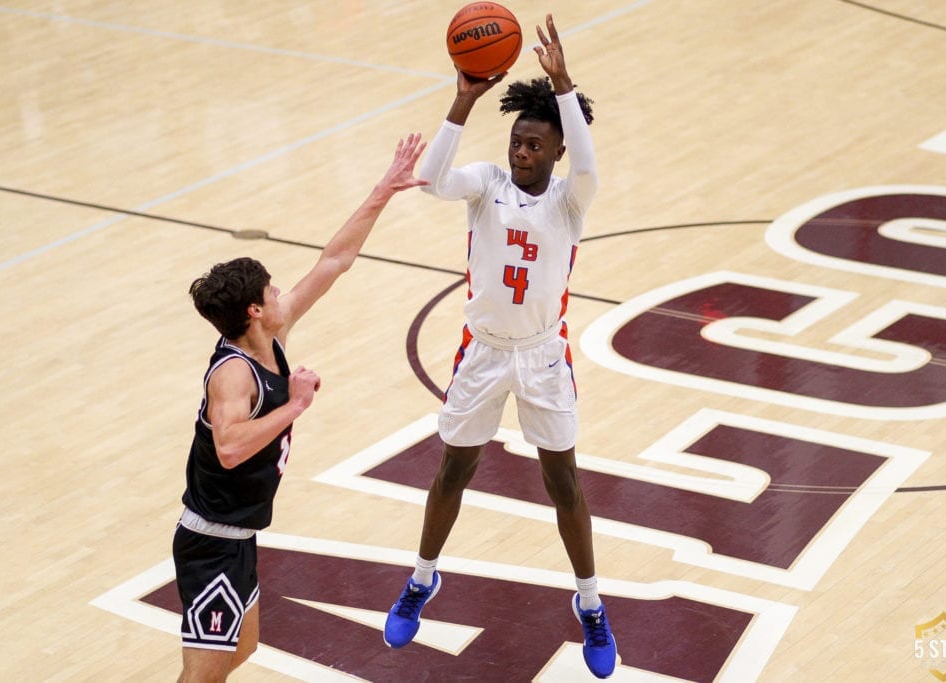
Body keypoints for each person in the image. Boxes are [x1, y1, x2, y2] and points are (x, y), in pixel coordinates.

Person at [383, 14, 617, 680]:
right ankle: (422, 579)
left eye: (535, 144)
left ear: (556, 151)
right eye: (517, 140)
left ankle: (591, 602)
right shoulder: (484, 183)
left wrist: (564, 86)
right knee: (453, 470)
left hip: (543, 357)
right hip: (482, 353)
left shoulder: (573, 200)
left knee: (563, 482)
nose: (522, 151)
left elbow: (591, 159)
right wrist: (463, 98)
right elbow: (430, 180)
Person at [173, 133, 427, 682]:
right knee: (203, 677)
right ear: (253, 311)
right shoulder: (235, 373)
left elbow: (335, 260)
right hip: (211, 542)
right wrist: (295, 404)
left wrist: (384, 188)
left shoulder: (273, 331)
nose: (280, 291)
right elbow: (231, 446)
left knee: (243, 650)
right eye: (271, 289)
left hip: (238, 536)